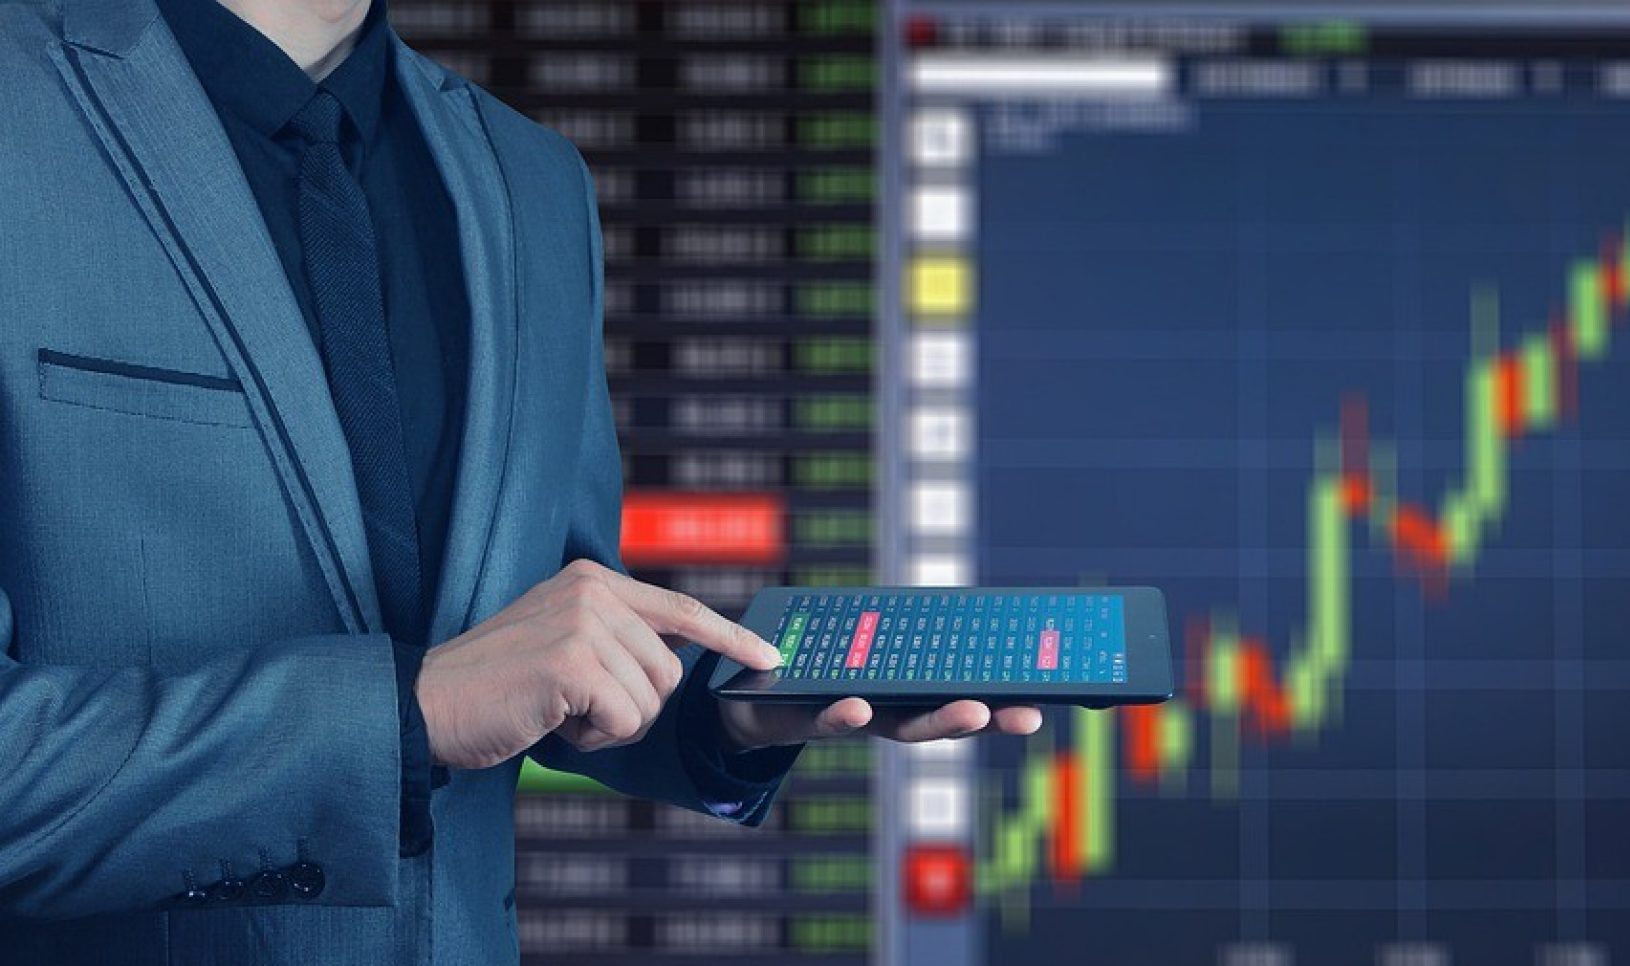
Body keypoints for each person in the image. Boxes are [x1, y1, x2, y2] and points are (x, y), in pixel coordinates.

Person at [0, 0, 1040, 961]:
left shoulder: (530, 178)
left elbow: (538, 634)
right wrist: (405, 716)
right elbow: (444, 701)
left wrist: (722, 711)